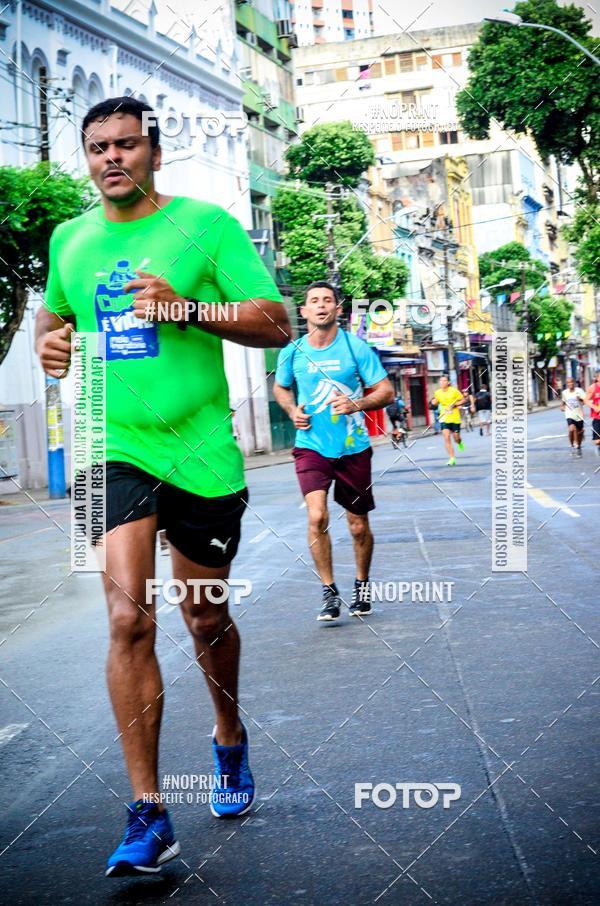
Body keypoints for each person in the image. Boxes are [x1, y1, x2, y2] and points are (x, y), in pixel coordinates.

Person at [35, 97, 291, 876]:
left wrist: (187, 308)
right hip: (112, 445)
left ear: (152, 151)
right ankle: (147, 812)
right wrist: (51, 347)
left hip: (204, 451)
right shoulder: (69, 238)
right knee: (125, 618)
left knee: (203, 618)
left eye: (124, 145)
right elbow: (51, 318)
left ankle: (229, 737)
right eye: (96, 147)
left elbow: (274, 321)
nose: (110, 158)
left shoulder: (206, 226)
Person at [273, 282, 394, 622]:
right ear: (304, 312)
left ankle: (362, 586)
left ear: (338, 309)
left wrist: (357, 403)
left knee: (357, 525)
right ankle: (329, 591)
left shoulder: (356, 348)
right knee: (317, 516)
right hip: (311, 445)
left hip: (353, 448)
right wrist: (291, 409)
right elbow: (281, 387)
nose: (321, 305)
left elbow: (386, 391)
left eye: (328, 300)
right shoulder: (293, 351)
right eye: (314, 301)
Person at [431, 375, 465, 466]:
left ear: (448, 382)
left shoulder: (454, 391)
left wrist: (455, 404)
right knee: (446, 437)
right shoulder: (437, 392)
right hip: (444, 417)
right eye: (440, 381)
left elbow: (463, 400)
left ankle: (459, 442)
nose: (442, 382)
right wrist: (433, 402)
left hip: (455, 417)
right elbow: (435, 401)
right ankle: (452, 458)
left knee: (456, 437)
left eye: (444, 381)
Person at [561, 377, 586, 456]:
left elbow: (585, 401)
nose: (570, 384)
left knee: (580, 432)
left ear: (574, 383)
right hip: (569, 414)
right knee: (572, 428)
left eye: (571, 382)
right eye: (568, 382)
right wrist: (562, 407)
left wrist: (580, 400)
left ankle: (578, 445)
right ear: (567, 384)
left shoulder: (579, 391)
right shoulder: (564, 393)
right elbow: (563, 403)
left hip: (579, 414)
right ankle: (572, 445)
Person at [585, 367, 600, 457]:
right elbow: (586, 400)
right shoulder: (593, 388)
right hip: (597, 417)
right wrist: (594, 407)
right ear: (597, 378)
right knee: (597, 441)